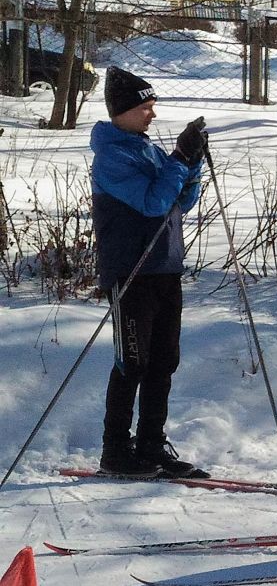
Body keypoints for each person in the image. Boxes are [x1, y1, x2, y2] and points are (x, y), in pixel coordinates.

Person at [90, 67, 209, 478]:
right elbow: (152, 203)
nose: (152, 114)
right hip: (131, 272)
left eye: (153, 106)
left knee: (163, 361)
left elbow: (179, 203)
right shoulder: (112, 157)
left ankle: (152, 444)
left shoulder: (147, 150)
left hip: (164, 267)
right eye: (145, 107)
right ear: (121, 111)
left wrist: (192, 164)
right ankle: (115, 450)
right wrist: (178, 159)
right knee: (133, 362)